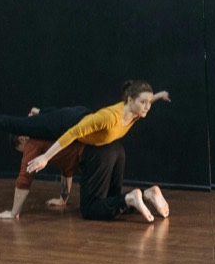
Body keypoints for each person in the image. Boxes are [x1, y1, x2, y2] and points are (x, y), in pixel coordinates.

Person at [22, 81, 172, 222]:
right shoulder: (119, 114)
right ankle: (146, 194)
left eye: (149, 102)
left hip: (108, 153)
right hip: (115, 151)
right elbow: (71, 131)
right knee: (111, 202)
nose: (147, 107)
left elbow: (143, 100)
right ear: (130, 100)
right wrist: (46, 155)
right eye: (144, 103)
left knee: (91, 209)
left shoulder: (128, 112)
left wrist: (159, 96)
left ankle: (137, 196)